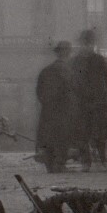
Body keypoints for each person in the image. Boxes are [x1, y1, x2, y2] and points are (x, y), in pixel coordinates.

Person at [71, 28, 107, 170]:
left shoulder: (99, 60)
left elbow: (106, 81)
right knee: (82, 134)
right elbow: (72, 81)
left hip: (98, 102)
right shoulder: (75, 61)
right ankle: (86, 162)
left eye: (89, 43)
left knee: (100, 133)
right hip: (81, 103)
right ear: (81, 44)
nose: (87, 46)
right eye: (84, 43)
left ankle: (103, 160)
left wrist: (105, 98)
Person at [34, 41, 75, 172]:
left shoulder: (46, 70)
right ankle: (60, 164)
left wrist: (46, 103)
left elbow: (39, 91)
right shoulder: (68, 71)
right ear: (68, 53)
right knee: (62, 137)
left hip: (47, 111)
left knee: (48, 137)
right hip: (63, 111)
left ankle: (50, 165)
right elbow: (72, 91)